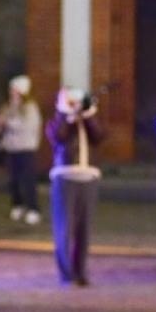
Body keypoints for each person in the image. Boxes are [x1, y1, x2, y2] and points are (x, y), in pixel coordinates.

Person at [47, 87, 105, 287]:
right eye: (69, 100)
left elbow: (99, 136)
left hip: (89, 176)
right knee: (64, 228)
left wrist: (88, 114)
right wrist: (68, 114)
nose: (74, 104)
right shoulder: (57, 122)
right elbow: (59, 136)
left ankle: (81, 272)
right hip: (65, 177)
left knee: (84, 229)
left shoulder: (87, 121)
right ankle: (66, 274)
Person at [0, 75, 42, 224]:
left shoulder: (30, 107)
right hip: (11, 148)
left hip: (26, 148)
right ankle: (17, 205)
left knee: (28, 180)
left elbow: (28, 127)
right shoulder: (7, 106)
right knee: (13, 180)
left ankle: (33, 209)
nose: (11, 91)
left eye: (14, 89)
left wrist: (7, 123)